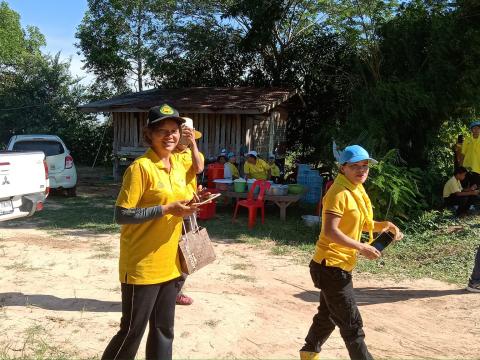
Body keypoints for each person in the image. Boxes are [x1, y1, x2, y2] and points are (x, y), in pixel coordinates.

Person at [102, 104, 199, 360]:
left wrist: (190, 205)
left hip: (170, 263)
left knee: (164, 329)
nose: (169, 136)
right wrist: (167, 208)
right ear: (149, 134)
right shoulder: (140, 168)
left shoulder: (178, 163)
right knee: (132, 331)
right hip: (142, 264)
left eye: (174, 130)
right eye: (162, 131)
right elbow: (122, 215)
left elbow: (182, 197)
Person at [300, 145, 404, 360]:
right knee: (352, 325)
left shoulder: (356, 189)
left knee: (327, 316)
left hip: (337, 265)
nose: (361, 170)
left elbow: (362, 224)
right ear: (342, 168)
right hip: (331, 266)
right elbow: (330, 231)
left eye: (365, 166)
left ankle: (308, 353)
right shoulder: (338, 193)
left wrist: (386, 225)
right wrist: (362, 247)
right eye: (355, 166)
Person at [173, 117, 205, 306]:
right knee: (169, 249)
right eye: (182, 133)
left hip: (188, 208)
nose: (184, 138)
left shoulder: (194, 153)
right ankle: (166, 292)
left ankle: (177, 291)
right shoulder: (167, 153)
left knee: (188, 250)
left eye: (188, 134)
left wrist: (192, 144)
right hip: (170, 208)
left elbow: (199, 168)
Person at [459, 120, 480, 187]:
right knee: (463, 187)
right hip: (466, 168)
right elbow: (463, 154)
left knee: (474, 190)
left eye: (478, 128)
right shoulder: (467, 140)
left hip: (477, 169)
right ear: (471, 130)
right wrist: (460, 167)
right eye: (474, 128)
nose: (476, 130)